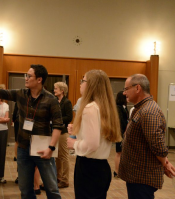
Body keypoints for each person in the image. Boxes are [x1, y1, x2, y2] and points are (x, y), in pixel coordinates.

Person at [0, 64, 63, 199]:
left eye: (29, 76)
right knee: (25, 189)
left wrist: (51, 147)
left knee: (51, 188)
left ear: (39, 79)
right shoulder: (21, 94)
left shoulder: (51, 99)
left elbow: (58, 125)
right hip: (23, 148)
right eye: (26, 75)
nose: (26, 78)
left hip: (42, 149)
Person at [119, 74, 175, 199]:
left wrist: (165, 163)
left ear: (138, 88)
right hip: (137, 175)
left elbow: (157, 144)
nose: (124, 93)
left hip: (142, 176)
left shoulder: (149, 111)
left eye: (126, 89)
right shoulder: (141, 108)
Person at [67, 70, 121, 199]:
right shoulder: (103, 107)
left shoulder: (90, 108)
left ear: (91, 84)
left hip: (88, 169)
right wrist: (79, 129)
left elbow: (92, 144)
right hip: (100, 168)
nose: (80, 84)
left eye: (83, 81)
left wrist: (74, 144)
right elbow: (99, 134)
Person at [54, 82, 72, 188]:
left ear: (62, 90)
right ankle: (58, 177)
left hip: (63, 132)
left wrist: (56, 120)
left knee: (64, 156)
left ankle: (65, 180)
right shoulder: (56, 102)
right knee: (57, 156)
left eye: (56, 89)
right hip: (56, 131)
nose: (54, 90)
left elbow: (69, 117)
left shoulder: (67, 102)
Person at [114, 91, 129, 178]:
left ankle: (120, 170)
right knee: (118, 152)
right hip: (120, 132)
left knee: (121, 152)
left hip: (123, 132)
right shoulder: (118, 108)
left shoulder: (124, 107)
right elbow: (121, 121)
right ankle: (116, 171)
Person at [12, 102, 19, 184]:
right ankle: (20, 176)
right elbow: (15, 112)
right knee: (18, 142)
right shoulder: (20, 97)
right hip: (19, 123)